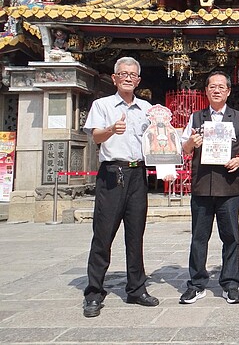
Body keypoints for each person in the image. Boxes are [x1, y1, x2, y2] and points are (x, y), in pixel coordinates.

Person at [82, 56, 158, 318]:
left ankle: (136, 288)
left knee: (135, 234)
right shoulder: (102, 105)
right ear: (114, 78)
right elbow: (95, 136)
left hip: (138, 174)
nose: (128, 78)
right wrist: (111, 130)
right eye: (123, 73)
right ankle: (93, 292)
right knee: (103, 235)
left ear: (138, 80)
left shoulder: (147, 108)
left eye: (133, 74)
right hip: (113, 173)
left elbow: (156, 140)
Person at [179, 71, 239, 305]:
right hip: (202, 184)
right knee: (199, 237)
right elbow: (185, 148)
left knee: (230, 236)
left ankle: (230, 283)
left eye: (222, 87)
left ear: (228, 91)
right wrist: (192, 142)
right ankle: (197, 283)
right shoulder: (196, 117)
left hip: (229, 185)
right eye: (213, 87)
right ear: (206, 91)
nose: (217, 90)